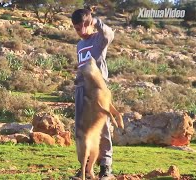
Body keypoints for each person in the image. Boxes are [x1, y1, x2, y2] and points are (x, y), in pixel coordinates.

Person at [71, 8, 115, 180]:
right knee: (82, 130)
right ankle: (85, 168)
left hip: (98, 91)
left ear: (89, 23)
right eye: (76, 29)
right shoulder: (79, 45)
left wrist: (97, 22)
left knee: (102, 128)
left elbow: (109, 35)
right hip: (82, 90)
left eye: (83, 27)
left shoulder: (98, 39)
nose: (81, 32)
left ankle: (106, 167)